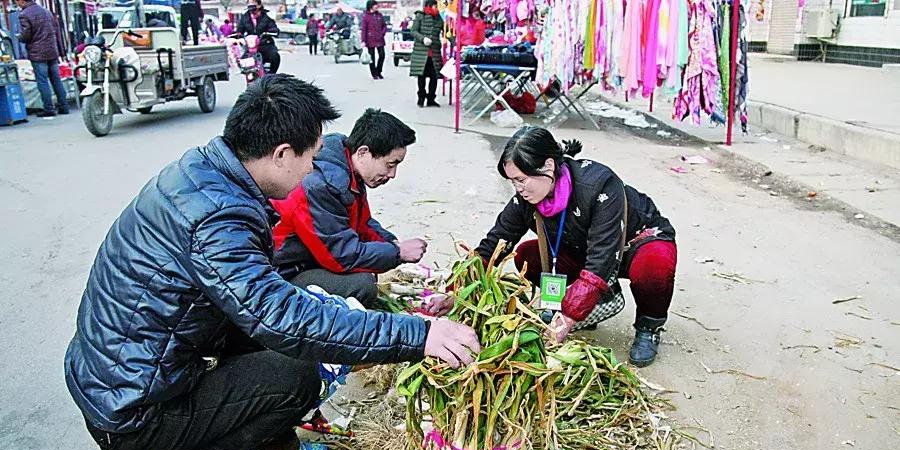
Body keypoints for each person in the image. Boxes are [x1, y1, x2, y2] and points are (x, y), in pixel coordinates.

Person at [64, 75, 480, 450]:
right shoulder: (219, 216)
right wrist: (419, 334)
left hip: (123, 374)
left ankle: (237, 440)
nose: (312, 171)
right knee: (297, 376)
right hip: (132, 407)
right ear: (282, 153)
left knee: (283, 339)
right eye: (311, 159)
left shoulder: (204, 172)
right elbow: (282, 317)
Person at [475, 126, 677, 367]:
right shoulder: (525, 198)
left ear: (548, 166)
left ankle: (648, 326)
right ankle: (590, 310)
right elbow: (496, 242)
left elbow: (603, 255)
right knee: (527, 255)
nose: (517, 189)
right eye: (512, 181)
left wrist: (569, 317)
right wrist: (461, 284)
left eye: (521, 179)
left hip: (634, 243)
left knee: (654, 267)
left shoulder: (599, 185)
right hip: (584, 249)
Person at [272, 109, 429, 308]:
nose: (392, 174)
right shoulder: (321, 184)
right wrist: (397, 253)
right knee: (362, 285)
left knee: (368, 269)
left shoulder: (347, 168)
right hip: (282, 274)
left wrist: (392, 242)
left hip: (308, 260)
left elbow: (363, 224)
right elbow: (340, 257)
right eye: (390, 164)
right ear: (363, 152)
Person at [14, 0, 69, 118]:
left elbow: (26, 35)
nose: (17, 4)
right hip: (52, 51)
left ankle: (49, 108)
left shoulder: (24, 14)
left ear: (21, 1)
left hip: (37, 53)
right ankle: (64, 105)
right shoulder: (47, 12)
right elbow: (56, 32)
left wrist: (19, 37)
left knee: (42, 81)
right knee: (56, 80)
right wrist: (61, 51)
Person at [409, 0, 443, 107]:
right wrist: (422, 38)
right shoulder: (420, 16)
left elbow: (447, 32)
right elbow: (413, 31)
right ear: (429, 6)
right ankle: (421, 98)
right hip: (421, 52)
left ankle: (431, 99)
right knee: (421, 76)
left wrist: (455, 43)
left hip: (435, 53)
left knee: (434, 76)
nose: (437, 7)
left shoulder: (439, 18)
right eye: (435, 5)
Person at [238, 0, 281, 73]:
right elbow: (239, 30)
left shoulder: (267, 16)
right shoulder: (245, 17)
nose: (251, 5)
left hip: (265, 43)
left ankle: (271, 75)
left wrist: (271, 32)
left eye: (253, 3)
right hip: (250, 46)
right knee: (241, 59)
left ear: (259, 5)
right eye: (249, 3)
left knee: (275, 56)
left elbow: (274, 28)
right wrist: (237, 35)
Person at [360, 0, 386, 80]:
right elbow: (364, 29)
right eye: (375, 5)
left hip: (380, 38)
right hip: (370, 39)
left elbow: (384, 26)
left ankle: (379, 71)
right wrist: (363, 41)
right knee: (372, 58)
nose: (377, 6)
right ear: (371, 6)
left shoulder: (379, 15)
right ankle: (374, 73)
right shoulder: (366, 16)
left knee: (382, 55)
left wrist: (382, 33)